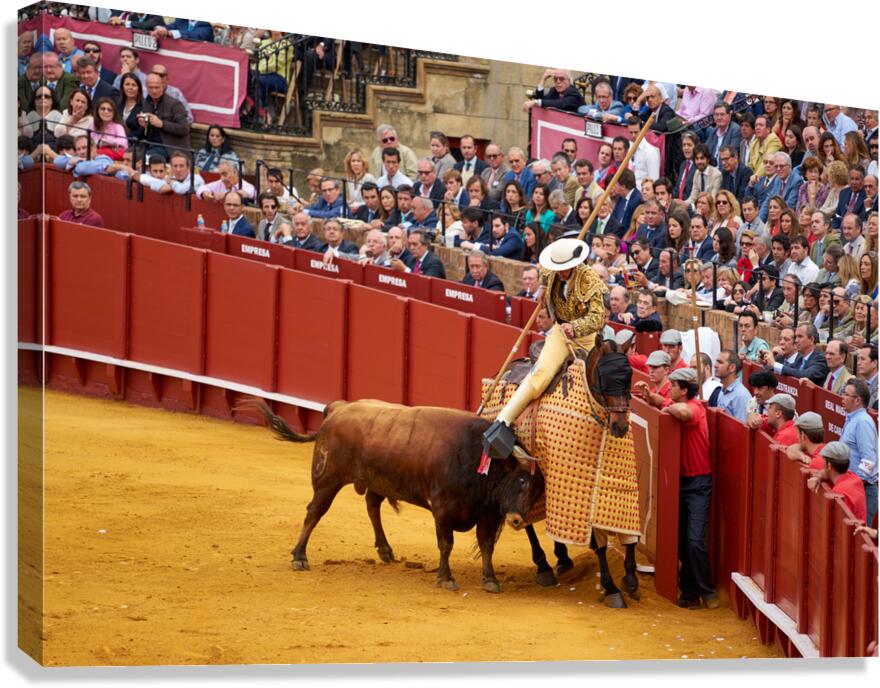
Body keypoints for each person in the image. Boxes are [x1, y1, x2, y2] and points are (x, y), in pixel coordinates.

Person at [483, 238, 606, 458]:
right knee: (542, 372)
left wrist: (576, 326)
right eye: (557, 269)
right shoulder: (552, 272)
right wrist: (541, 288)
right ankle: (503, 420)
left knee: (598, 383)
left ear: (573, 265)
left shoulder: (591, 281)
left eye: (563, 270)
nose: (559, 273)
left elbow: (598, 317)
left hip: (586, 339)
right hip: (560, 332)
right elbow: (545, 274)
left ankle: (607, 427)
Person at [807, 442, 868, 524]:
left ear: (828, 465)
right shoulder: (855, 478)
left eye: (824, 461)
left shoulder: (839, 491)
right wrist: (819, 477)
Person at [140, 73, 190, 158]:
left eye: (157, 87)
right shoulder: (145, 103)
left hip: (170, 147)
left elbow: (184, 129)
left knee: (146, 158)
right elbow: (146, 133)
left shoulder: (175, 104)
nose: (154, 91)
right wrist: (143, 125)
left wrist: (162, 124)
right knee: (133, 155)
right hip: (150, 144)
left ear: (163, 86)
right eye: (151, 88)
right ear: (146, 87)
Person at [764, 323, 829, 385]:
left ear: (811, 340)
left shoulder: (821, 359)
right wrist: (768, 360)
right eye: (796, 337)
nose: (796, 340)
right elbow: (788, 371)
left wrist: (774, 364)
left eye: (800, 336)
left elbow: (803, 374)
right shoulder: (800, 358)